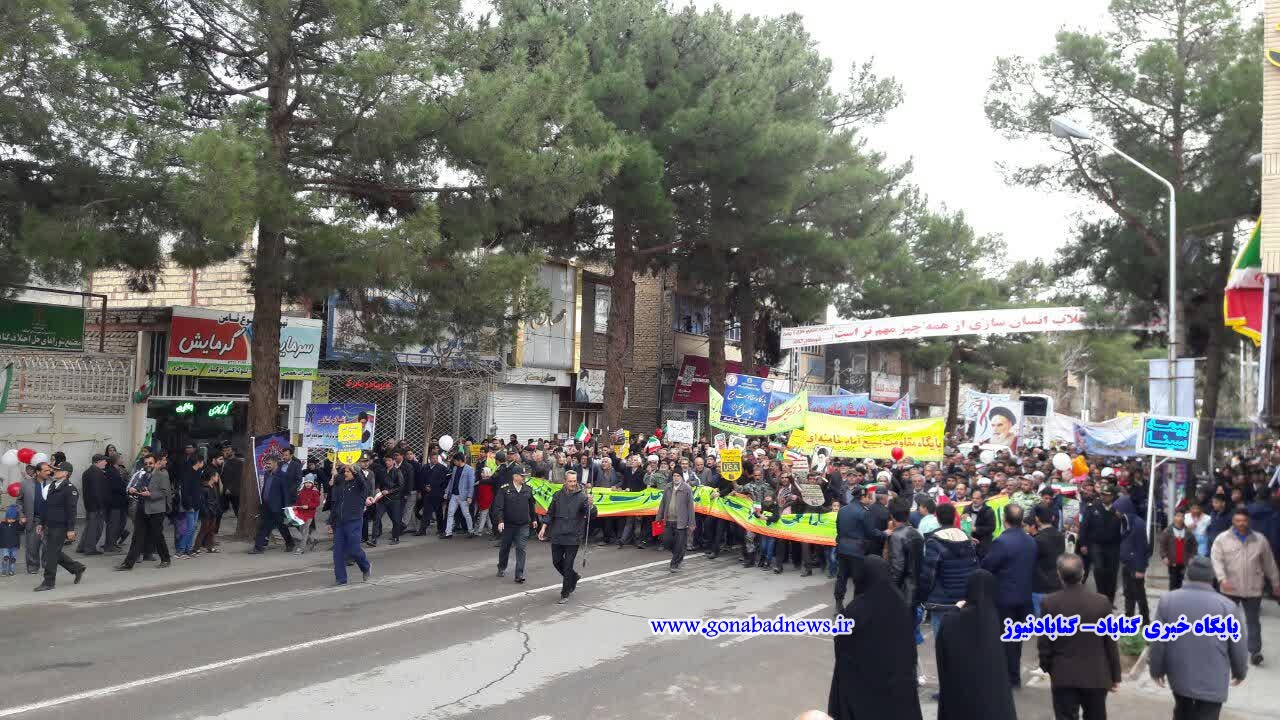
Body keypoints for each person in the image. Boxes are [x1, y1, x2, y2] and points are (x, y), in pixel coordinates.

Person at [1150, 556, 1248, 719]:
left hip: (1180, 679)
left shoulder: (1168, 601)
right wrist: (1240, 672)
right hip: (1213, 683)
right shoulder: (1228, 607)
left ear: (1187, 575)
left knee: (1182, 712)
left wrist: (1156, 669)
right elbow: (1238, 646)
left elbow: (1158, 642)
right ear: (1212, 578)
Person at [827, 556, 923, 720]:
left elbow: (841, 647)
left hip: (862, 690)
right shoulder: (900, 605)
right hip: (898, 687)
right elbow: (909, 647)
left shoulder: (855, 610)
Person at [1039, 554, 1121, 720]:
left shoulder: (1050, 603)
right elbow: (1110, 642)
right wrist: (1115, 675)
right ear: (1083, 573)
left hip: (1063, 674)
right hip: (1096, 675)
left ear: (1059, 574)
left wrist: (1047, 667)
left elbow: (1045, 643)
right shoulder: (1101, 602)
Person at [936, 569, 1017, 720]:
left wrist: (955, 608)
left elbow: (943, 649)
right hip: (994, 698)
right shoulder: (997, 619)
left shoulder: (954, 620)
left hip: (962, 693)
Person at [1210, 507, 1280, 665]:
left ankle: (1255, 652)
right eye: (1238, 520)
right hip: (1230, 587)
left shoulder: (1260, 540)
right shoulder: (1222, 539)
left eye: (1244, 521)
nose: (1241, 523)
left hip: (1253, 587)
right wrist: (1222, 578)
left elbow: (1269, 563)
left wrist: (1276, 583)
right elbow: (1216, 560)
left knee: (1253, 621)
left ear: (1249, 521)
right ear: (1233, 521)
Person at [981, 503, 1036, 688]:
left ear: (1004, 519)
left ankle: (1007, 678)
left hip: (1004, 598)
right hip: (1024, 597)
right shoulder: (1030, 540)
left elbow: (987, 566)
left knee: (1004, 640)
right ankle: (1014, 676)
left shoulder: (1002, 542)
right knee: (1015, 641)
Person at [920, 503, 979, 636]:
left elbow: (929, 574)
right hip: (964, 599)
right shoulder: (967, 539)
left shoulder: (933, 541)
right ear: (954, 517)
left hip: (942, 601)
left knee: (942, 641)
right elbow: (975, 568)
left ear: (937, 518)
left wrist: (922, 596)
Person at [539, 470, 593, 604]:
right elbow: (550, 513)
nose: (572, 484)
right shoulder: (557, 495)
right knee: (557, 562)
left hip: (573, 536)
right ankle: (573, 577)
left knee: (568, 565)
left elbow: (591, 514)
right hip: (557, 534)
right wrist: (544, 527)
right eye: (570, 481)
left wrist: (591, 505)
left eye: (574, 481)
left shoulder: (582, 497)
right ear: (565, 481)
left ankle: (565, 593)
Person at [34, 465, 86, 591]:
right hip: (50, 524)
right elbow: (46, 507)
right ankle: (77, 568)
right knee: (52, 551)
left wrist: (71, 529)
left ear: (66, 473)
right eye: (55, 469)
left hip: (61, 526)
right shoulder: (53, 485)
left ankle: (49, 582)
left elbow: (71, 511)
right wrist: (41, 523)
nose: (54, 472)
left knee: (51, 554)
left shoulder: (70, 489)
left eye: (58, 470)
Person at [117, 453, 172, 570]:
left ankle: (165, 559)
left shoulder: (162, 475)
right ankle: (128, 563)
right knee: (137, 536)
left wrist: (151, 494)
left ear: (156, 463)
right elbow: (140, 487)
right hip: (142, 508)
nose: (148, 465)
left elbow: (165, 492)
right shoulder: (144, 475)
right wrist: (133, 489)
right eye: (146, 463)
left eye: (150, 463)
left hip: (156, 511)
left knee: (157, 535)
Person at [327, 464, 372, 585]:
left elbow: (362, 481)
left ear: (354, 473)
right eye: (345, 471)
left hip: (354, 521)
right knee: (338, 552)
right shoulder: (342, 485)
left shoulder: (360, 486)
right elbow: (336, 504)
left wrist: (355, 470)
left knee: (354, 549)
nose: (345, 473)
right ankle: (341, 578)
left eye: (348, 472)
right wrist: (330, 521)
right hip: (340, 523)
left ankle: (365, 567)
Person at [1079, 485, 1123, 605]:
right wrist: (1083, 544)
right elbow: (1084, 527)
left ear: (1112, 496)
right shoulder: (1092, 507)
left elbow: (1125, 527)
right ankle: (1101, 597)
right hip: (1096, 544)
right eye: (1102, 494)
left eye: (1107, 495)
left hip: (1113, 545)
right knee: (1099, 569)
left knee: (1112, 572)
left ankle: (1110, 600)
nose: (1104, 497)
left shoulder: (1118, 509)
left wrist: (1121, 517)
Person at [494, 471, 537, 583]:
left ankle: (519, 574)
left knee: (521, 549)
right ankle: (501, 567)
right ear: (515, 476)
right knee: (505, 547)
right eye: (522, 476)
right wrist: (500, 521)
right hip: (508, 525)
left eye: (525, 476)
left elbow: (532, 505)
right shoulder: (505, 489)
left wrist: (534, 519)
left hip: (523, 525)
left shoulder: (527, 489)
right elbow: (499, 506)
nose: (524, 478)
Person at [251, 455, 296, 553]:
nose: (267, 465)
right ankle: (258, 547)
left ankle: (290, 543)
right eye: (266, 463)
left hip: (277, 507)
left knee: (281, 526)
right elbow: (265, 489)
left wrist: (286, 507)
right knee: (263, 526)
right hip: (266, 506)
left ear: (275, 463)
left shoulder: (282, 475)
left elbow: (285, 493)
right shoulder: (267, 474)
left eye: (269, 463)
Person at [1115, 495, 1150, 621]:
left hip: (1136, 565)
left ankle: (1145, 619)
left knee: (1139, 594)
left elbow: (1142, 548)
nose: (1116, 512)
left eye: (1117, 509)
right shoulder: (1124, 522)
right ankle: (1129, 616)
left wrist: (1140, 569)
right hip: (1127, 563)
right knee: (1128, 593)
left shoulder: (1138, 524)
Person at [656, 464, 695, 573]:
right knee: (666, 542)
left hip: (681, 522)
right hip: (668, 520)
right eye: (674, 476)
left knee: (679, 544)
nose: (676, 478)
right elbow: (663, 503)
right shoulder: (668, 487)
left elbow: (690, 507)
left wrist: (692, 523)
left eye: (678, 476)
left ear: (681, 477)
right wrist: (658, 517)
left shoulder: (686, 488)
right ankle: (680, 554)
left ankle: (674, 563)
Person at [1031, 505, 1065, 617]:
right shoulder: (1060, 536)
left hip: (1040, 585)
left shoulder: (1037, 539)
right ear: (1053, 518)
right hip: (1057, 583)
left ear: (1037, 519)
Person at [16, 463, 48, 574]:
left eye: (49, 470)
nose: (49, 472)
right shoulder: (25, 484)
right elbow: (19, 501)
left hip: (49, 520)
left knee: (48, 545)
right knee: (32, 545)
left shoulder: (52, 483)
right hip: (33, 519)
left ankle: (47, 565)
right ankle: (33, 567)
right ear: (38, 472)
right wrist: (21, 515)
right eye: (46, 470)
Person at [76, 454, 109, 555]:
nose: (106, 462)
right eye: (104, 461)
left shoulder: (88, 472)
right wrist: (101, 506)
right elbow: (97, 491)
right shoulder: (97, 473)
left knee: (89, 527)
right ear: (97, 462)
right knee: (95, 528)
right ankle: (90, 549)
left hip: (90, 505)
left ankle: (82, 547)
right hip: (96, 506)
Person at [1160, 510, 1198, 591]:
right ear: (1174, 517)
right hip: (1172, 561)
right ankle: (1172, 597)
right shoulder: (1167, 531)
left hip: (1184, 562)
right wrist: (1164, 557)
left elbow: (1194, 545)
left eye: (1182, 516)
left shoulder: (1188, 532)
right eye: (1178, 516)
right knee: (1173, 581)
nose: (1180, 518)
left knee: (1181, 582)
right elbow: (1163, 545)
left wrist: (1192, 557)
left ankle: (1180, 596)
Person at [443, 452, 477, 538]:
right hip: (454, 495)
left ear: (459, 460)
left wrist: (469, 496)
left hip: (463, 496)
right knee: (450, 513)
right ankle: (448, 533)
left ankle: (471, 531)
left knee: (466, 514)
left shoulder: (469, 469)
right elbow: (451, 481)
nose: (454, 462)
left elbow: (471, 484)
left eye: (455, 461)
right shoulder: (455, 468)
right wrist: (447, 492)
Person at [0, 503, 22, 576]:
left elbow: (22, 528)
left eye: (13, 519)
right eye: (9, 518)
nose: (11, 520)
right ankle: (3, 570)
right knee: (5, 557)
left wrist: (22, 522)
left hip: (14, 545)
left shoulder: (17, 524)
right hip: (5, 545)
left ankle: (11, 570)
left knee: (13, 559)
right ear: (6, 517)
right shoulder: (2, 524)